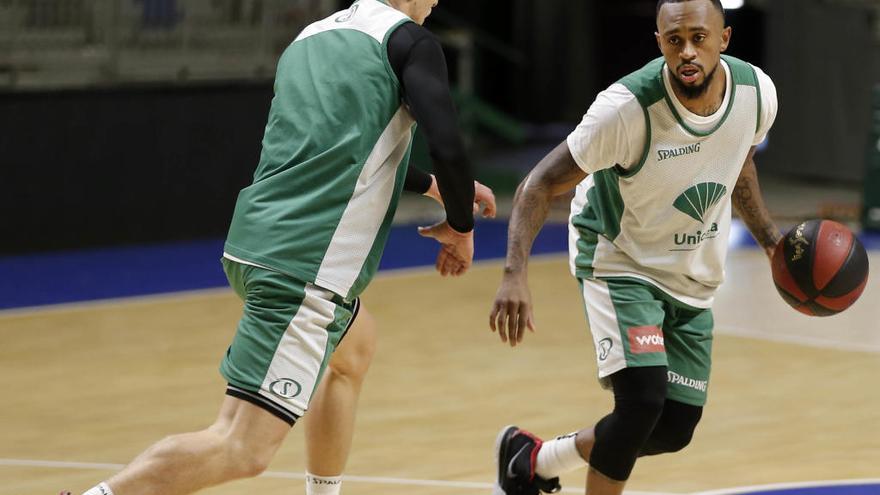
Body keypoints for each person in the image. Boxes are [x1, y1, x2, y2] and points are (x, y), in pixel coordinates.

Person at [72, 1, 495, 494]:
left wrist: (432, 187)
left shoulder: (310, 38)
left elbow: (338, 147)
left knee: (354, 348)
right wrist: (461, 227)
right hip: (307, 266)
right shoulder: (410, 42)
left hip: (257, 242)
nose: (438, 2)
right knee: (241, 447)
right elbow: (447, 140)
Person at [488, 1, 780, 494]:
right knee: (642, 403)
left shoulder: (757, 93)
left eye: (698, 38)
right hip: (619, 255)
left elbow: (740, 162)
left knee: (672, 428)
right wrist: (515, 272)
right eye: (674, 41)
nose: (687, 52)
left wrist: (771, 242)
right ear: (659, 42)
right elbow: (538, 184)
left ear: (724, 39)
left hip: (691, 269)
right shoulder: (626, 109)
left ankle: (535, 459)